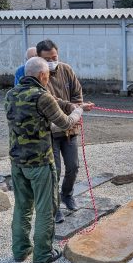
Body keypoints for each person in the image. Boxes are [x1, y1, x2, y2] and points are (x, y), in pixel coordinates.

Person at [5, 57, 85, 263]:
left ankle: (20, 250)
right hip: (40, 162)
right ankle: (43, 254)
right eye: (47, 76)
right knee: (46, 208)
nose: (48, 79)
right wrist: (78, 111)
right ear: (42, 75)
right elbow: (65, 123)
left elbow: (33, 122)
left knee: (22, 207)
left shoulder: (10, 94)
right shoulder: (42, 96)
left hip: (17, 162)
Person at [35, 39, 92, 223]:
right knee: (54, 170)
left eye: (54, 57)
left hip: (70, 129)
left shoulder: (66, 70)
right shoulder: (38, 76)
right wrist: (72, 108)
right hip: (51, 131)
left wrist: (76, 107)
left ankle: (67, 194)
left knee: (73, 166)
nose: (52, 61)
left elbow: (77, 94)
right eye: (47, 59)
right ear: (39, 58)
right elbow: (50, 101)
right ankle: (55, 206)